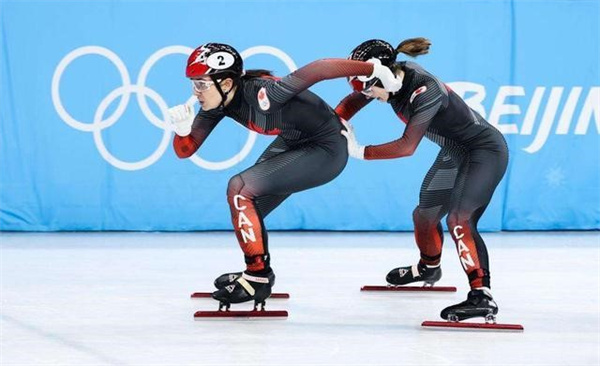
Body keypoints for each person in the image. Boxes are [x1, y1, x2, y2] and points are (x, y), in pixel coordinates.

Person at [168, 43, 403, 306]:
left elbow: (321, 69)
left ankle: (257, 277)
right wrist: (181, 129)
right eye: (193, 84)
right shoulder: (217, 103)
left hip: (326, 149)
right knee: (249, 207)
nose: (195, 92)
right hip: (296, 140)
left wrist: (375, 69)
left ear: (225, 83)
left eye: (201, 83)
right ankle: (255, 272)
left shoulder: (264, 94)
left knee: (239, 188)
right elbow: (185, 150)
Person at [336, 38, 509, 322]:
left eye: (366, 87)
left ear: (385, 76)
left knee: (459, 219)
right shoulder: (391, 78)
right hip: (456, 151)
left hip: (485, 152)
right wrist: (332, 122)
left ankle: (482, 296)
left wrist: (358, 151)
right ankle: (428, 268)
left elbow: (407, 147)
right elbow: (351, 103)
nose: (366, 94)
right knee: (425, 216)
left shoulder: (424, 91)